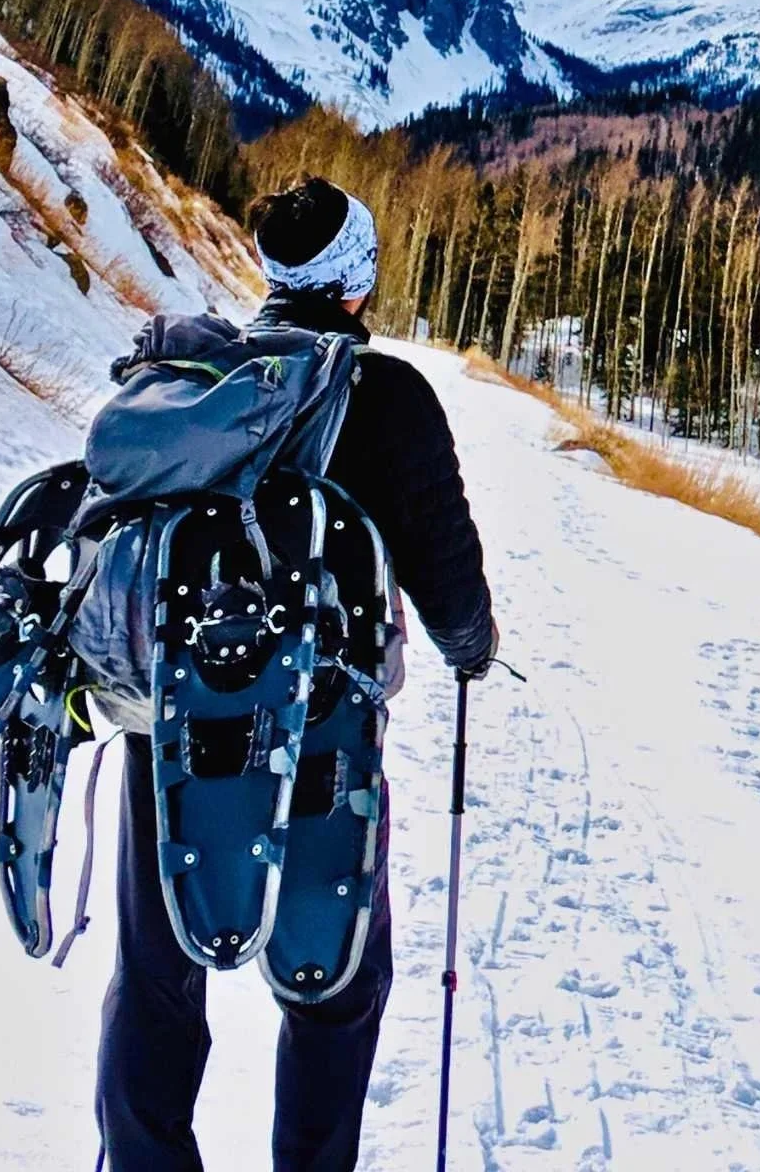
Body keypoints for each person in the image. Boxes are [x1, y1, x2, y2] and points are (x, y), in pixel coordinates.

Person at [96, 176, 498, 1172]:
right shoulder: (389, 397)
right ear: (358, 277)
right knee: (336, 984)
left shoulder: (206, 387)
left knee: (156, 974)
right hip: (322, 737)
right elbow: (448, 577)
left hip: (173, 724)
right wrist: (473, 648)